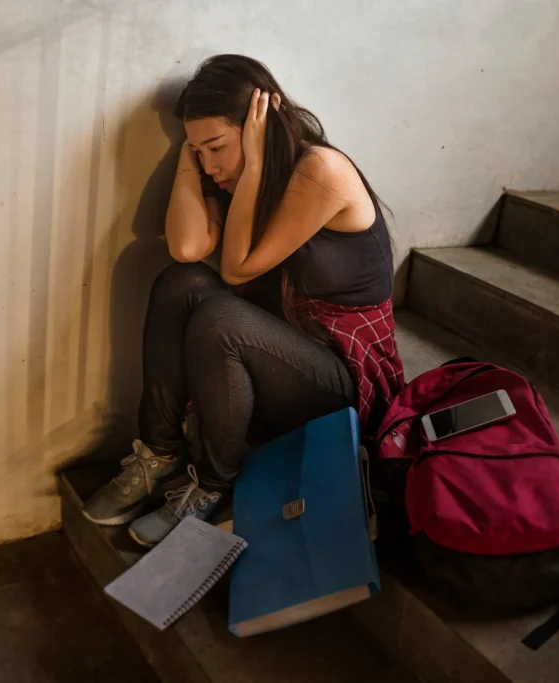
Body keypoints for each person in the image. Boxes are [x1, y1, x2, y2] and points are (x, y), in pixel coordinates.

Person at [82, 55, 404, 547]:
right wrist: (192, 162)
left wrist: (249, 168)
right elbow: (187, 249)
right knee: (181, 282)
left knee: (221, 316)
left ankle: (212, 485)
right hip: (284, 353)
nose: (211, 166)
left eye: (217, 147)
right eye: (198, 151)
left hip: (346, 377)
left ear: (260, 126)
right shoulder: (226, 177)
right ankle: (159, 454)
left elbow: (236, 269)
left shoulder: (322, 170)